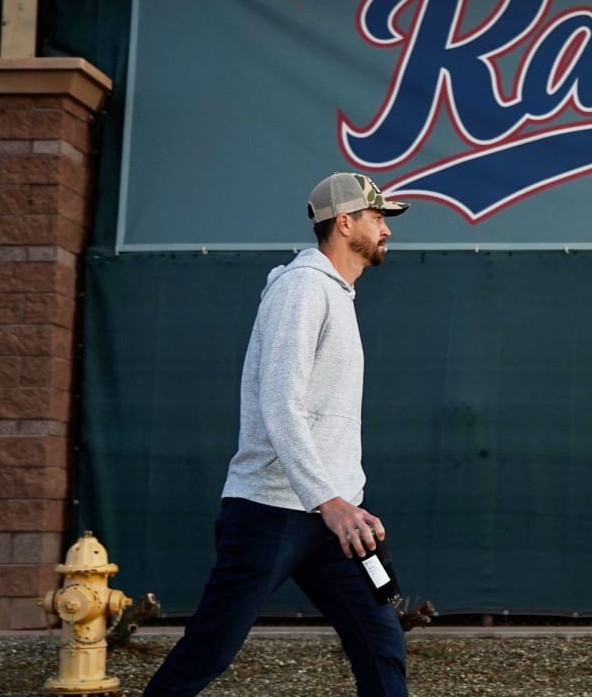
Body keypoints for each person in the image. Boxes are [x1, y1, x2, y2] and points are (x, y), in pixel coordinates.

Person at [143, 172, 410, 697]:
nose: (387, 231)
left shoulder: (336, 294)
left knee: (380, 639)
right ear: (345, 221)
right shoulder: (302, 288)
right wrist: (329, 500)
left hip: (334, 519)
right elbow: (279, 404)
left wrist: (341, 504)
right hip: (272, 511)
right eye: (378, 218)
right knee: (210, 649)